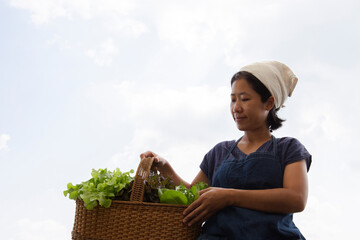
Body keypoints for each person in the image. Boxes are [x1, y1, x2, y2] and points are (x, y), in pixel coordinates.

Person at [140, 61, 312, 240]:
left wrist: (229, 196)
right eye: (233, 99)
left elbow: (296, 198)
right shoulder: (219, 152)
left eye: (244, 99)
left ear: (268, 103)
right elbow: (193, 195)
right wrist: (165, 167)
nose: (236, 108)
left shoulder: (289, 148)